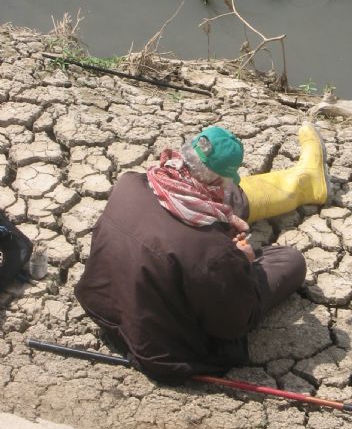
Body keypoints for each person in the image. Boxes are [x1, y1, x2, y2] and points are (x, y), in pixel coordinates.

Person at [75, 122, 330, 383]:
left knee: (231, 203)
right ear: (218, 180)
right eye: (226, 183)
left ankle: (307, 180)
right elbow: (234, 324)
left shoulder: (129, 183)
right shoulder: (213, 252)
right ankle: (304, 181)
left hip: (102, 310)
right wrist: (241, 265)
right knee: (290, 260)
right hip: (161, 351)